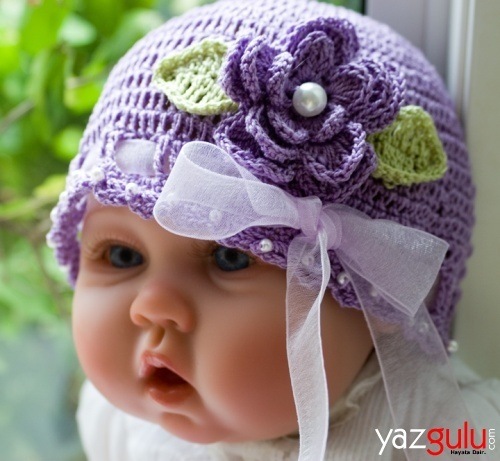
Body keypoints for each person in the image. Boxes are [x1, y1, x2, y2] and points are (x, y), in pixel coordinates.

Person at [47, 0, 500, 459]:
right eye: (122, 256)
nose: (152, 306)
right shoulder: (119, 428)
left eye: (230, 257)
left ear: (383, 301)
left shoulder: (448, 437)